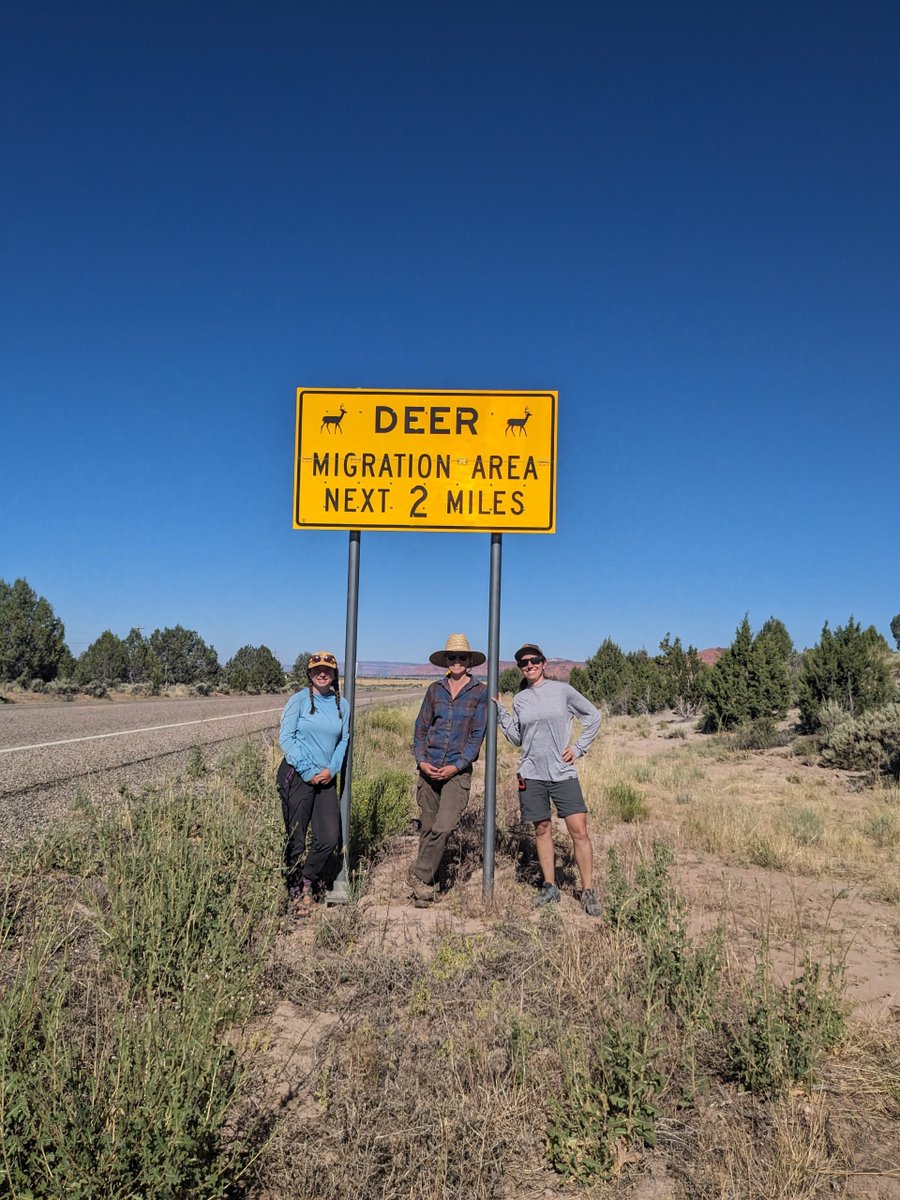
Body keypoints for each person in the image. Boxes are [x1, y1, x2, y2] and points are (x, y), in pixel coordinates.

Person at [493, 642, 603, 916]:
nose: (528, 665)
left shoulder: (562, 691)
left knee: (579, 830)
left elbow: (594, 716)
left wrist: (578, 748)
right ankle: (550, 886)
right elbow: (518, 738)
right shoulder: (520, 699)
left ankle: (588, 890)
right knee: (542, 829)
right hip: (531, 773)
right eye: (523, 663)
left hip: (562, 773)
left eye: (533, 661)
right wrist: (501, 713)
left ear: (543, 663)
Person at [408, 633, 488, 904]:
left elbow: (477, 736)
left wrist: (456, 766)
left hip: (457, 771)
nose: (456, 661)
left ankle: (417, 873)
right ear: (446, 661)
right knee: (429, 828)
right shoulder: (435, 690)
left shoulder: (480, 692)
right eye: (452, 657)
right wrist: (421, 760)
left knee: (444, 827)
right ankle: (426, 889)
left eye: (461, 657)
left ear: (470, 661)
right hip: (429, 768)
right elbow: (421, 728)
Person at [277, 650, 350, 916]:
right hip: (297, 775)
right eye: (317, 669)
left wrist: (332, 770)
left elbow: (344, 741)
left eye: (327, 670)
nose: (322, 673)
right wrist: (308, 770)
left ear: (334, 675)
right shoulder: (298, 701)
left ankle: (307, 879)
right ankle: (295, 892)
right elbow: (286, 738)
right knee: (296, 838)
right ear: (309, 674)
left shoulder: (343, 705)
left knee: (329, 838)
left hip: (326, 779)